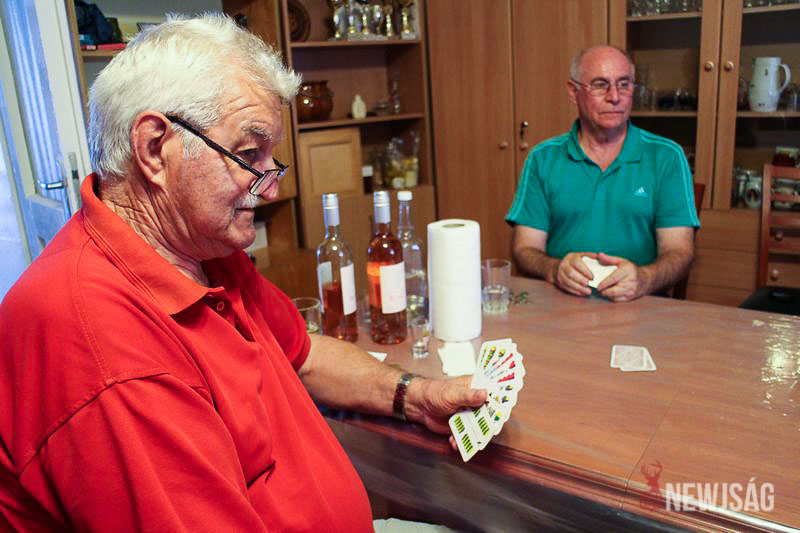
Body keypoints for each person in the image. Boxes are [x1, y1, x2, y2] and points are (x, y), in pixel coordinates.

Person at [0, 14, 485, 531]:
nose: (271, 186)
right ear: (154, 148)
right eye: (249, 153)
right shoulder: (100, 342)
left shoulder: (203, 248)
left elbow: (301, 354)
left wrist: (413, 395)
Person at [506, 45, 699, 302]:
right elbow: (524, 249)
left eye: (624, 85)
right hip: (560, 304)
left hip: (639, 304)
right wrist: (553, 269)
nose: (615, 97)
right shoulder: (542, 158)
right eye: (600, 85)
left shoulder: (666, 156)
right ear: (573, 92)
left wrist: (645, 278)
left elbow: (680, 252)